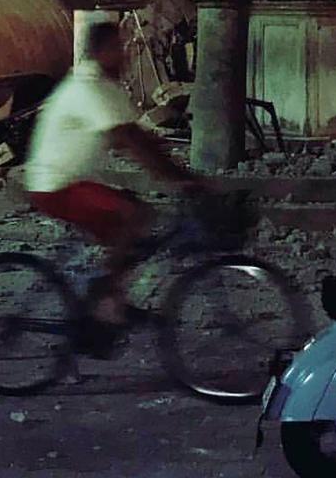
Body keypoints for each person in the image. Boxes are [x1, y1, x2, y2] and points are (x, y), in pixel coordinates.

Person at [25, 21, 206, 345]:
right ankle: (103, 302)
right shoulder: (89, 88)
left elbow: (141, 138)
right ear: (99, 52)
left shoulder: (108, 88)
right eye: (116, 48)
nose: (123, 54)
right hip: (55, 185)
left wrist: (176, 171)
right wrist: (180, 178)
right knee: (132, 216)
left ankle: (107, 299)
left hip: (71, 181)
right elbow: (130, 141)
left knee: (137, 221)